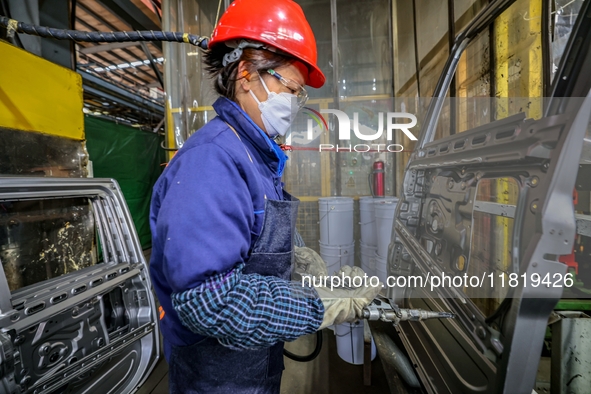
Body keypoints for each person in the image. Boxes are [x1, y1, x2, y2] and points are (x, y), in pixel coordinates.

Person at [149, 0, 380, 392]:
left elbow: (252, 236)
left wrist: (298, 263)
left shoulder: (252, 154)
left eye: (298, 94)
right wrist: (314, 304)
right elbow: (208, 299)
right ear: (245, 74)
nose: (292, 103)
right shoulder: (214, 159)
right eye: (288, 88)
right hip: (216, 375)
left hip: (253, 360)